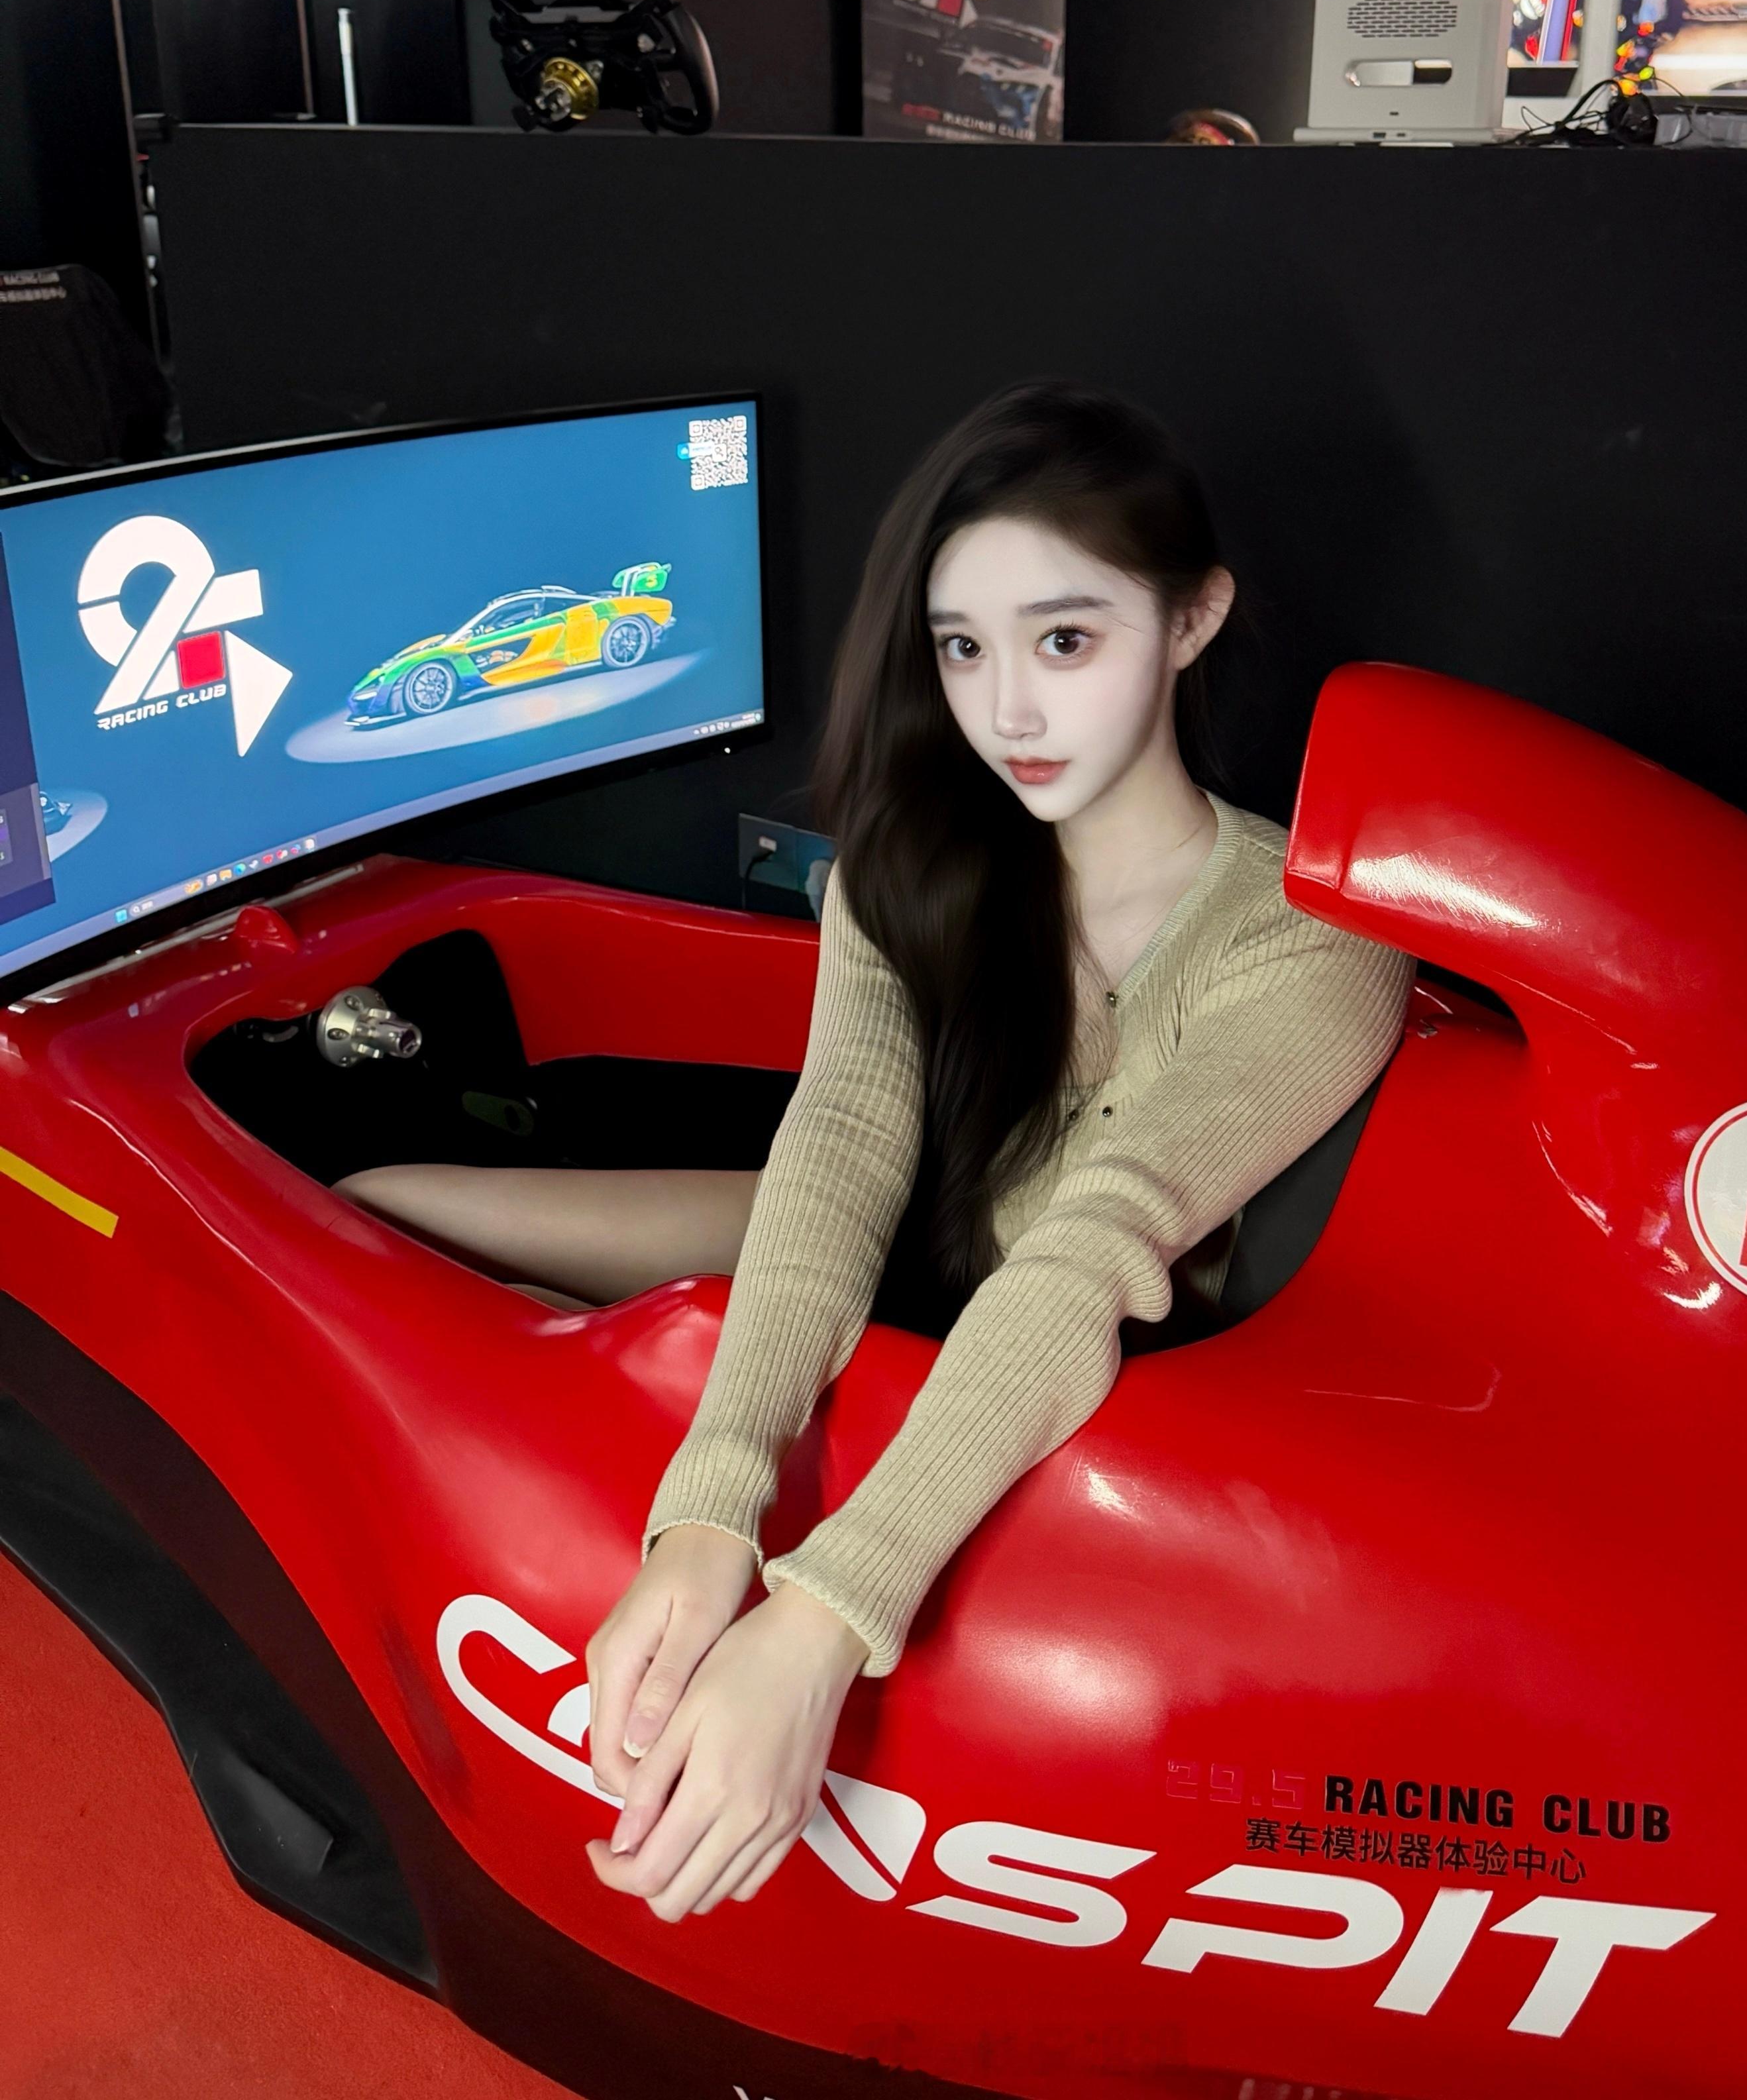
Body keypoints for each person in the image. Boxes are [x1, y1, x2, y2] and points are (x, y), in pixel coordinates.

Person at [337, 382, 1410, 1926]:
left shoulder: (1310, 941)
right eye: (963, 648)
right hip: (919, 1249)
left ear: (1192, 620)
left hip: (1059, 1374)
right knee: (381, 1208)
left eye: (1065, 639)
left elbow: (1089, 1250)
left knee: (576, 1320)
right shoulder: (913, 869)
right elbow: (839, 1151)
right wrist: (709, 1510)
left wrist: (819, 1617)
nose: (1008, 711)